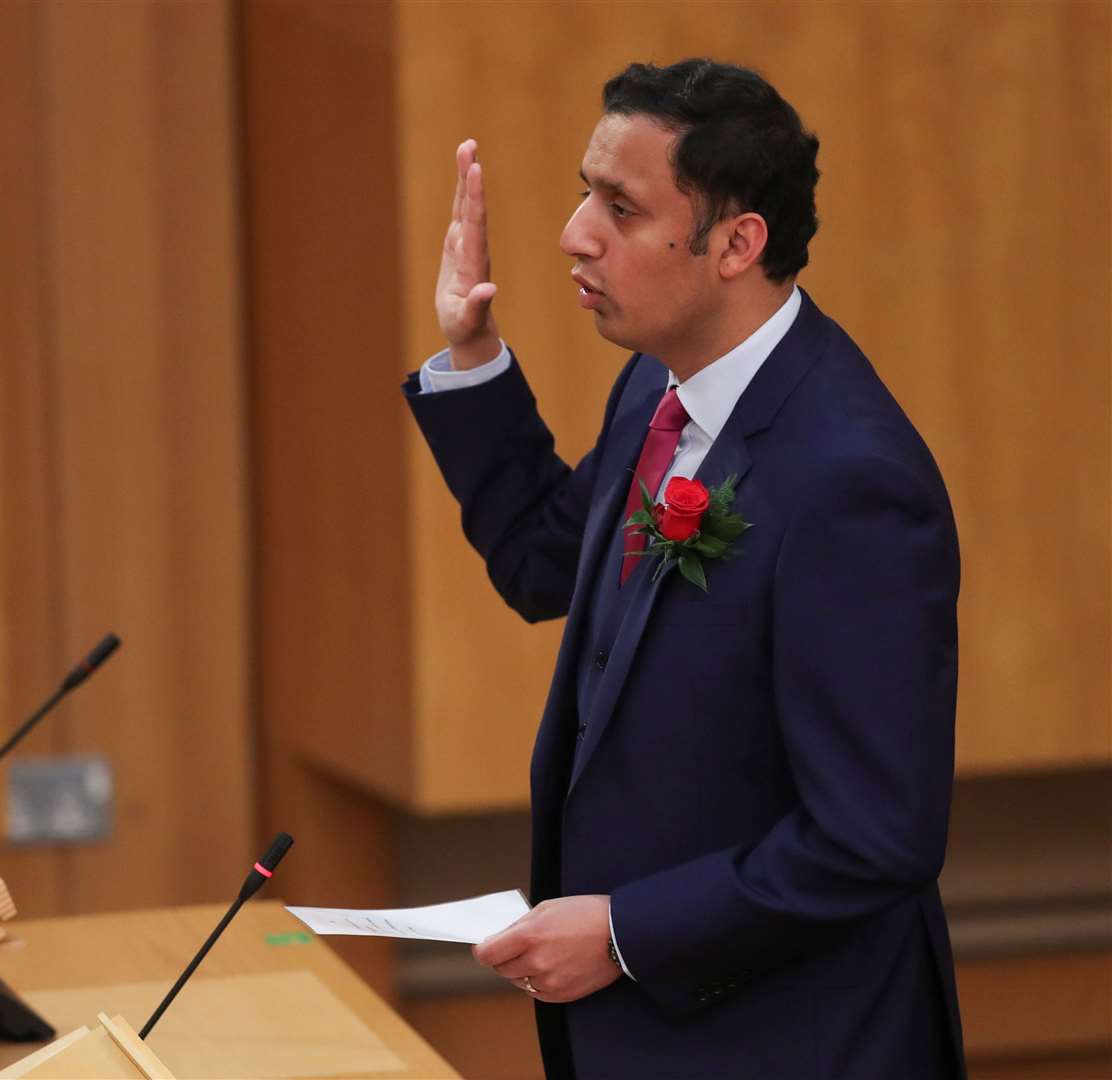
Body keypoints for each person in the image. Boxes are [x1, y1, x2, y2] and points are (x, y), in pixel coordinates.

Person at [403, 59, 965, 1079]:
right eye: (585, 193)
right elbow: (543, 564)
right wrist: (472, 354)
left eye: (619, 207)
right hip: (655, 1034)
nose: (575, 232)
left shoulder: (850, 482)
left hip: (790, 1041)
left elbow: (872, 838)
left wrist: (624, 932)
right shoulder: (655, 391)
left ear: (735, 244)